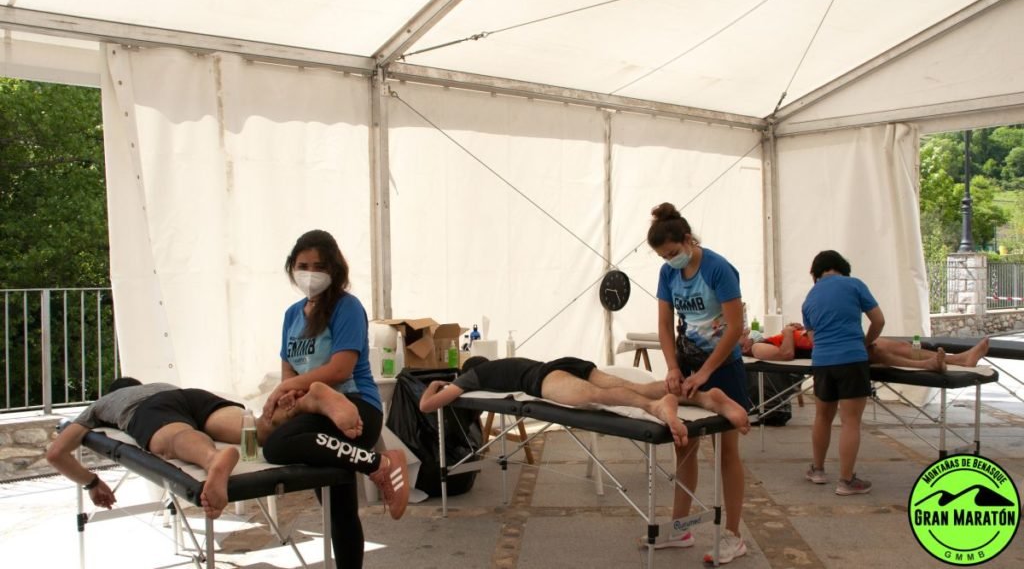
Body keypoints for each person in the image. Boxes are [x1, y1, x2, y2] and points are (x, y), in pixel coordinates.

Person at [46, 377, 403, 520]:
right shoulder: (160, 384)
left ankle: (213, 458)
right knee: (257, 432)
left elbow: (56, 454)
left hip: (149, 413)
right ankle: (308, 402)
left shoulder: (106, 404)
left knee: (175, 440)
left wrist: (92, 482)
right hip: (193, 396)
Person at [260, 229, 406, 569]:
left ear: (335, 269)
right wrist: (289, 392)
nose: (310, 273)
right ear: (292, 267)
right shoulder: (292, 315)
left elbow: (341, 369)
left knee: (277, 445)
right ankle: (377, 462)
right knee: (339, 508)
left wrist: (288, 389)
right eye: (303, 266)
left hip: (355, 407)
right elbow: (289, 368)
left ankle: (374, 457)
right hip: (316, 417)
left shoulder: (347, 307)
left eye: (319, 266)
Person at [647, 202, 750, 564]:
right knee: (684, 447)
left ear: (688, 239)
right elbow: (664, 325)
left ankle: (734, 536)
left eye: (672, 252)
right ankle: (680, 529)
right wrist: (672, 367)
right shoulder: (668, 273)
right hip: (688, 363)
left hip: (722, 367)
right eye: (663, 256)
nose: (669, 260)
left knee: (727, 452)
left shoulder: (718, 268)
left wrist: (706, 372)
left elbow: (735, 327)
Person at [418, 356, 751, 447]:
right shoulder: (498, 364)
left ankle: (657, 408)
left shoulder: (471, 378)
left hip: (544, 380)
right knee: (633, 385)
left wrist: (434, 386)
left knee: (597, 397)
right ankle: (705, 398)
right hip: (566, 362)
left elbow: (427, 406)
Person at [801, 250, 880, 496]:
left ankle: (817, 470)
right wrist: (865, 343)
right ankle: (846, 481)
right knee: (850, 421)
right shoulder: (854, 285)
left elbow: (812, 337)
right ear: (842, 267)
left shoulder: (810, 296)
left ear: (816, 273)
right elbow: (878, 320)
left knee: (822, 417)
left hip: (822, 362)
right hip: (851, 358)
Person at [742, 324, 990, 370]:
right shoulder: (757, 349)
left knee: (899, 346)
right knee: (880, 351)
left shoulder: (763, 338)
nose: (742, 332)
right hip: (830, 349)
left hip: (831, 339)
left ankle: (957, 359)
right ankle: (932, 363)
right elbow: (786, 354)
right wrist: (788, 332)